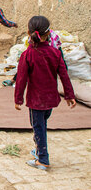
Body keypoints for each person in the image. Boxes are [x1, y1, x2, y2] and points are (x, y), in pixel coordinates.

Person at [14, 16, 76, 170]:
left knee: (38, 127)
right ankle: (38, 149)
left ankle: (42, 159)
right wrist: (69, 95)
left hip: (36, 101)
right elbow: (64, 75)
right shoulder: (55, 53)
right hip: (50, 99)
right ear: (49, 34)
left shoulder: (27, 55)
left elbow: (21, 80)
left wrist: (18, 99)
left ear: (29, 32)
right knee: (42, 124)